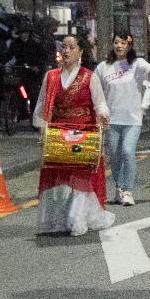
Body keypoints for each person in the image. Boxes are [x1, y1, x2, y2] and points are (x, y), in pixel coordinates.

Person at [32, 34, 115, 236]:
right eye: (64, 47)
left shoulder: (89, 76)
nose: (66, 51)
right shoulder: (51, 77)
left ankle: (77, 219)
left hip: (83, 135)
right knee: (59, 178)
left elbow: (100, 103)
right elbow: (42, 106)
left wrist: (103, 115)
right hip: (59, 135)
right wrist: (41, 125)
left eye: (71, 47)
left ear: (80, 52)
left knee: (79, 178)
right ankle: (59, 218)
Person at [96, 33, 149, 207]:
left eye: (123, 43)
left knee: (127, 152)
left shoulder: (137, 64)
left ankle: (128, 190)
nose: (119, 45)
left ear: (129, 45)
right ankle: (119, 189)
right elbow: (96, 91)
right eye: (116, 42)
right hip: (111, 119)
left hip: (133, 118)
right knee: (115, 156)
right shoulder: (104, 67)